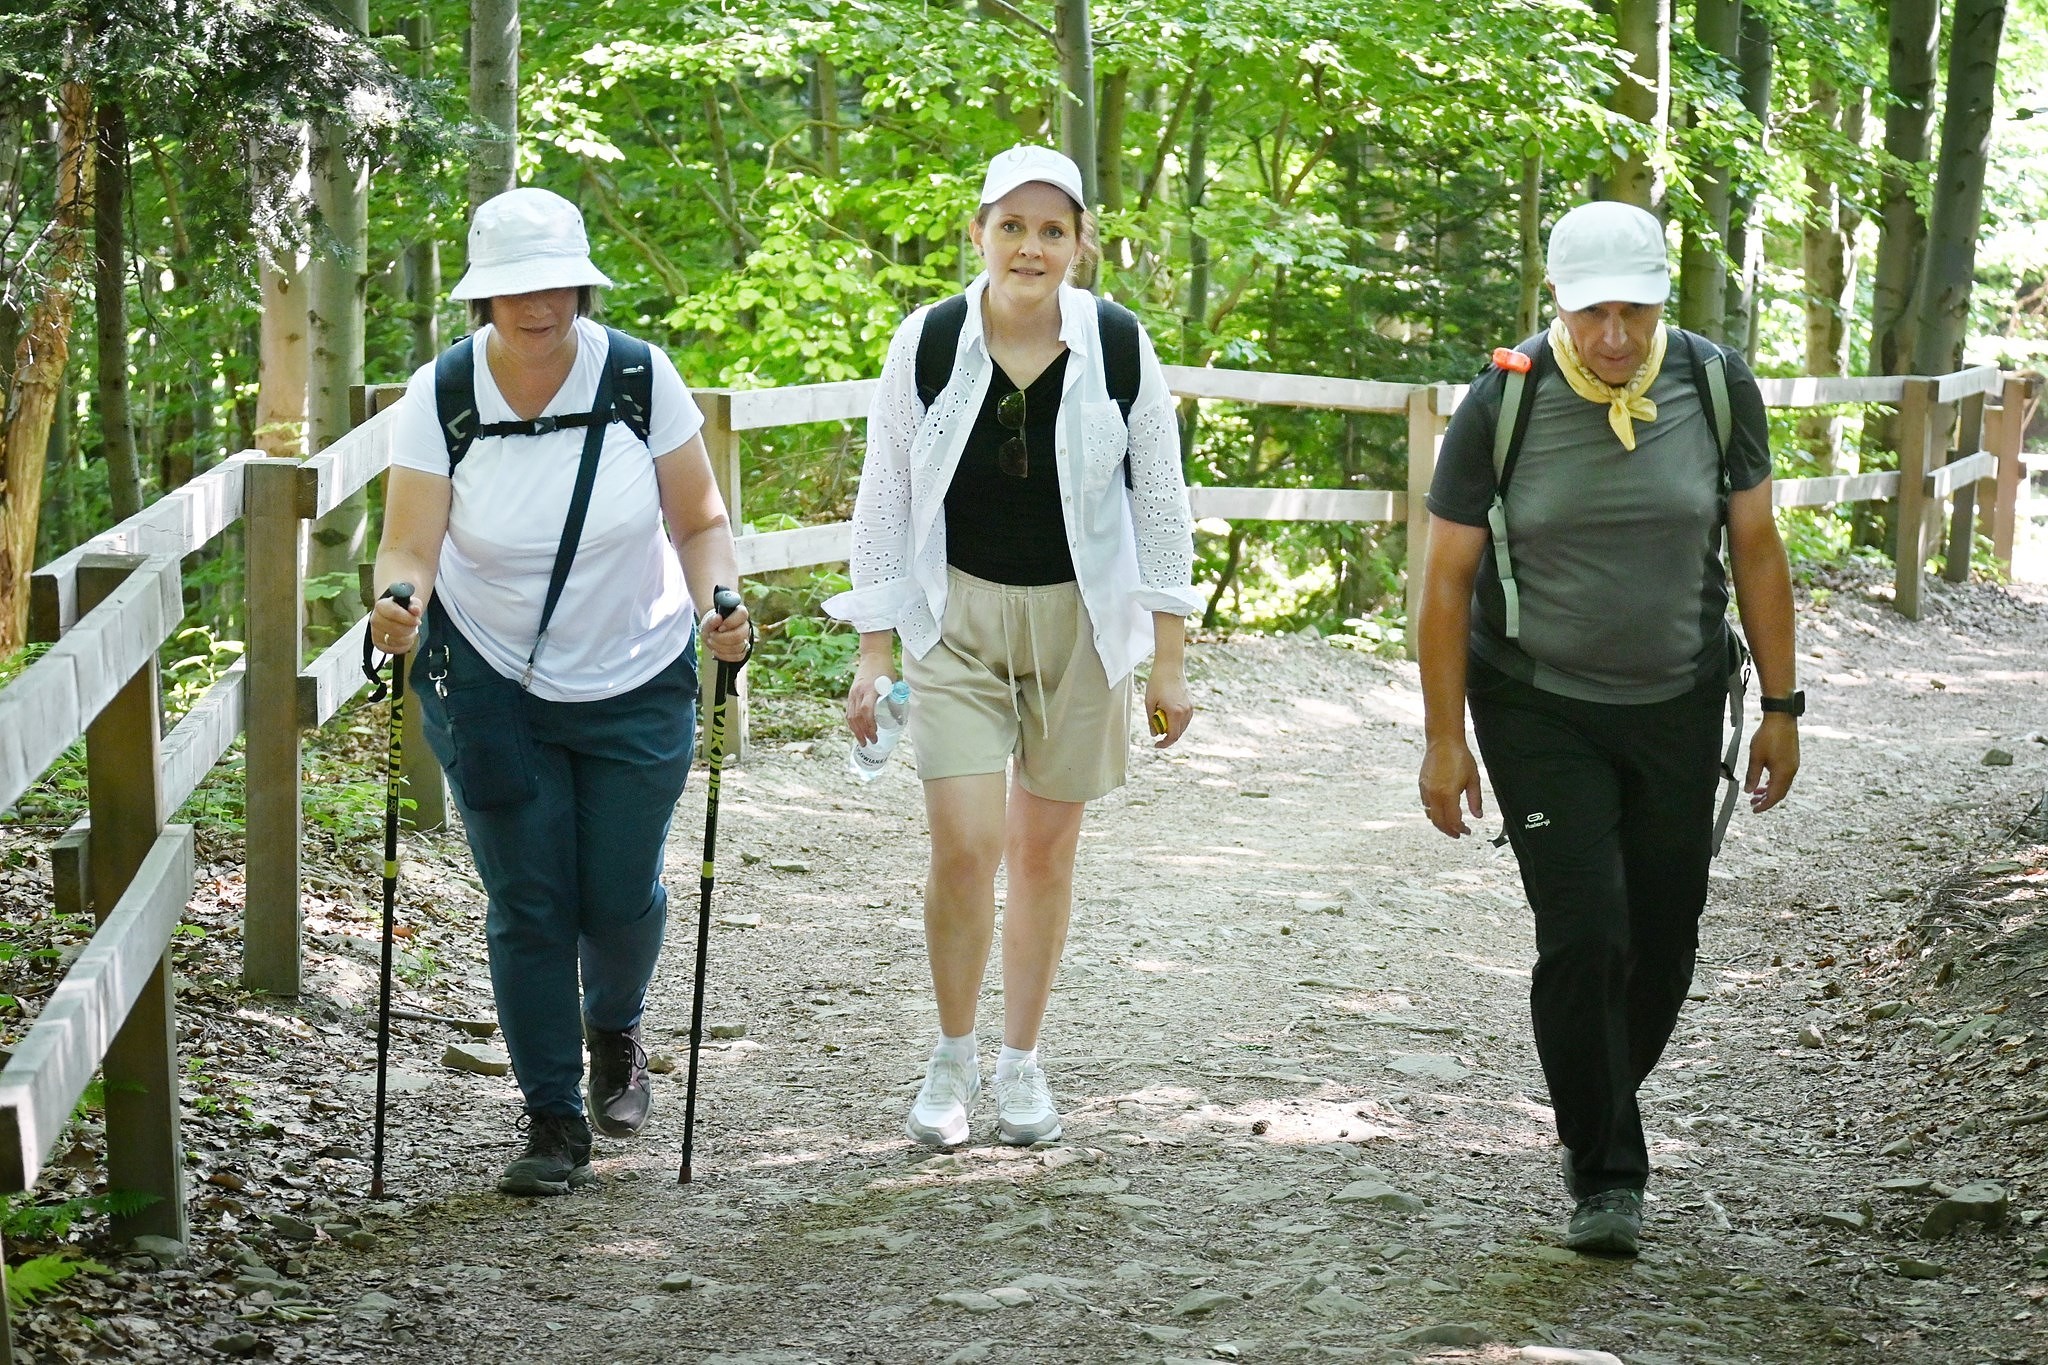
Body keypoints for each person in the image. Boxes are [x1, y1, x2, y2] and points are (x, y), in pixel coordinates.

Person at [1415, 200, 1801, 1255]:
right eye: (1593, 314)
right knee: (1585, 928)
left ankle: (1591, 1098)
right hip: (1535, 700)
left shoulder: (1714, 385)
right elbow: (1444, 579)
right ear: (1558, 302)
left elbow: (1756, 546)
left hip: (1679, 698)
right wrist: (1443, 737)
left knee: (1663, 940)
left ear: (1662, 303)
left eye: (1635, 311)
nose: (1615, 336)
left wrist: (1780, 707)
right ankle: (1606, 1172)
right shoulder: (1505, 399)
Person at [369, 187, 751, 1196]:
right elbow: (408, 543)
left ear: (582, 286)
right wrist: (397, 603)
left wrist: (720, 599)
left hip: (637, 671)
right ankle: (551, 1118)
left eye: (556, 285)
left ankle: (613, 1030)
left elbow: (700, 520)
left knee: (617, 893)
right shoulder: (444, 393)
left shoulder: (637, 376)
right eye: (515, 287)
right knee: (529, 899)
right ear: (482, 297)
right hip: (490, 682)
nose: (538, 305)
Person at [826, 146, 1201, 1149]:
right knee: (963, 843)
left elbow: (1160, 501)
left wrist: (1168, 657)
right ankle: (950, 1056)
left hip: (1083, 623)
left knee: (1042, 850)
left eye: (1051, 230)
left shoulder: (1117, 345)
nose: (1030, 248)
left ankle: (1020, 1062)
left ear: (1079, 244)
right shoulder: (927, 342)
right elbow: (884, 496)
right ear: (979, 233)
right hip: (954, 620)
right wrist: (873, 651)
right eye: (1011, 227)